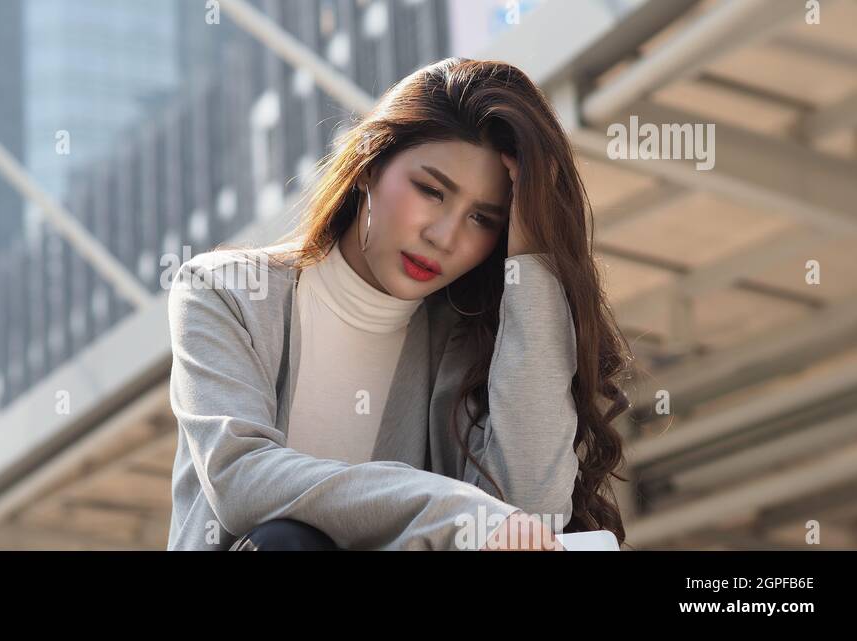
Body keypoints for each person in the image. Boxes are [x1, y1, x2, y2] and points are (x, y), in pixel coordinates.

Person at [166, 58, 633, 551]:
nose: (444, 236)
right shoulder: (228, 291)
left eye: (483, 218)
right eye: (431, 191)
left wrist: (533, 259)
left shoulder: (466, 339)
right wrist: (459, 512)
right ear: (369, 166)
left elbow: (529, 515)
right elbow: (240, 479)